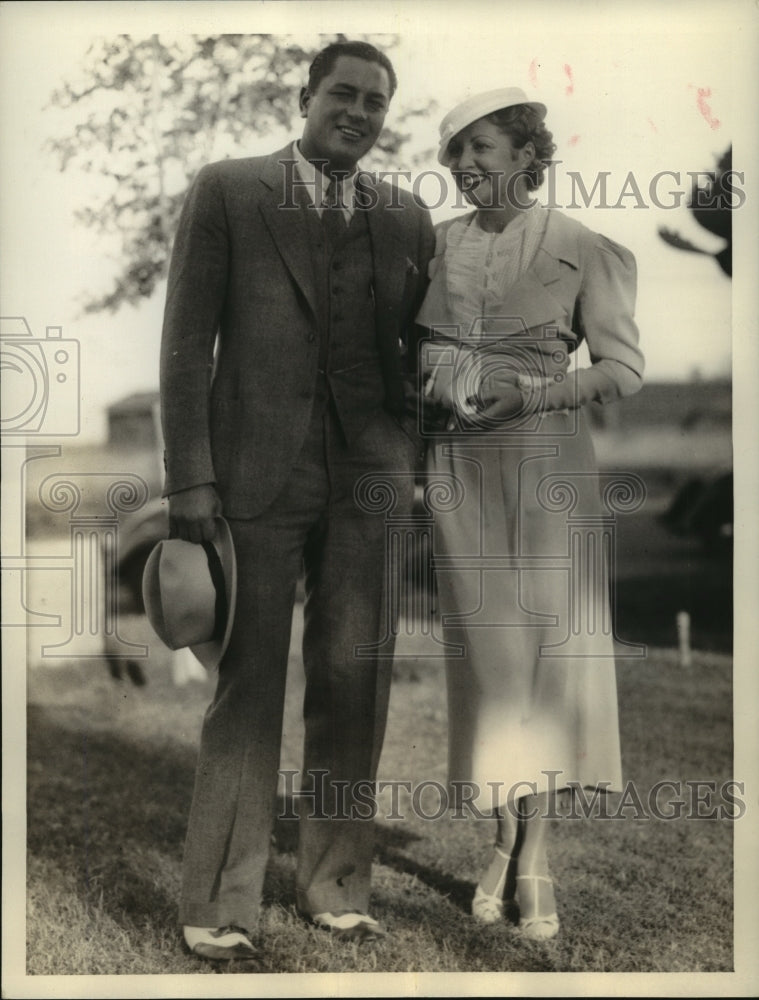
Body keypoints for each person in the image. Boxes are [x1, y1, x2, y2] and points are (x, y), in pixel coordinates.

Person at [159, 40, 434, 961]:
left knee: (353, 683)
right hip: (251, 478)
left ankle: (338, 885)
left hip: (370, 479)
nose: (358, 111)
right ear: (305, 97)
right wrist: (190, 478)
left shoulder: (403, 216)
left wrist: (413, 461)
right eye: (343, 94)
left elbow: (420, 356)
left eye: (376, 101)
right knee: (246, 688)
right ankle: (218, 904)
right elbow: (184, 345)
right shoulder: (229, 188)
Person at [416, 88, 644, 940]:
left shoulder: (582, 247)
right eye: (454, 155)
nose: (464, 166)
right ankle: (500, 841)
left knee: (548, 667)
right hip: (459, 468)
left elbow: (621, 368)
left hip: (549, 462)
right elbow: (408, 359)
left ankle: (535, 855)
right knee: (490, 667)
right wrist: (434, 383)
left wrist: (536, 391)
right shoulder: (432, 249)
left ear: (524, 152)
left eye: (479, 148)